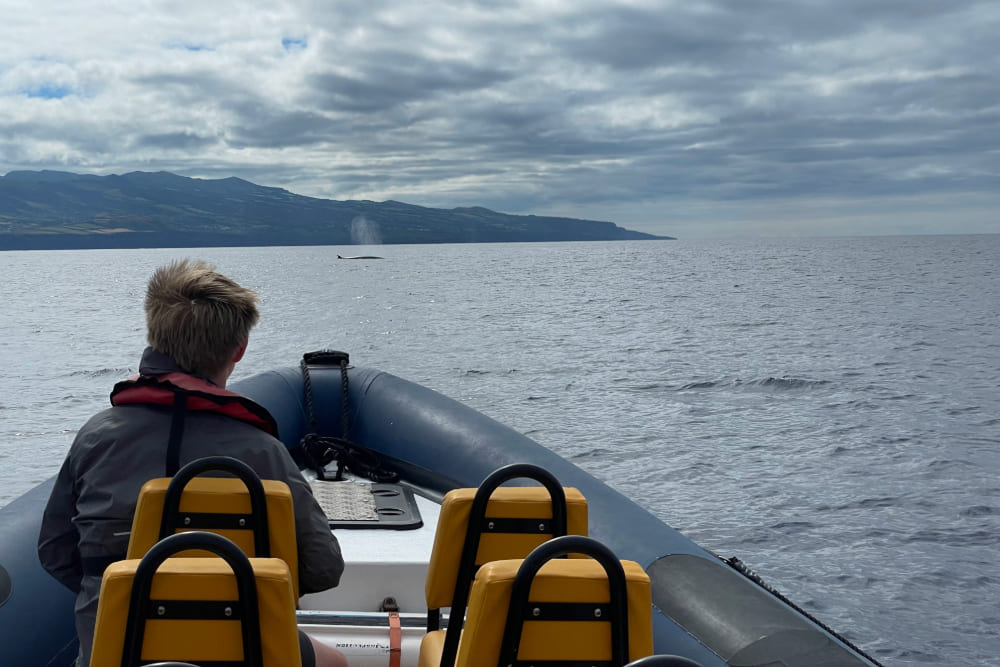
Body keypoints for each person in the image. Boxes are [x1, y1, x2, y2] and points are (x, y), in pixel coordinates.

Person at [38, 259, 348, 667]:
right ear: (239, 349)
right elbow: (324, 568)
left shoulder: (97, 438)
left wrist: (117, 588)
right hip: (242, 648)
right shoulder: (263, 453)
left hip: (115, 648)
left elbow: (54, 550)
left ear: (153, 337)